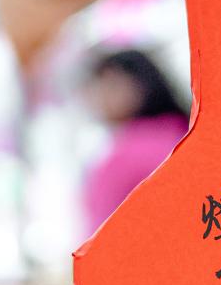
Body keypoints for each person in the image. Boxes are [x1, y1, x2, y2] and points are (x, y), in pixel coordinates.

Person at [81, 47, 190, 230]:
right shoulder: (184, 132)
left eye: (111, 85)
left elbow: (101, 235)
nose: (100, 96)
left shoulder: (124, 157)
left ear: (141, 85)